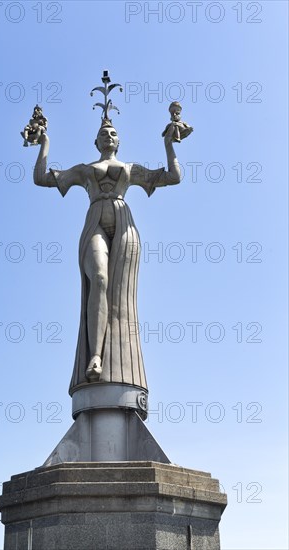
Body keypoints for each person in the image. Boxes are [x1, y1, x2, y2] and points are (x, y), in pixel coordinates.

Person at [33, 119, 181, 396]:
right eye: (103, 133)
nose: (108, 136)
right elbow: (41, 178)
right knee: (99, 280)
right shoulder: (84, 170)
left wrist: (169, 143)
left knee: (120, 295)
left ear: (119, 141)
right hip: (95, 223)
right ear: (96, 142)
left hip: (125, 225)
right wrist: (44, 143)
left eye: (113, 133)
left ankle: (119, 358)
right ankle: (95, 356)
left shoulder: (130, 169)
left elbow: (174, 177)